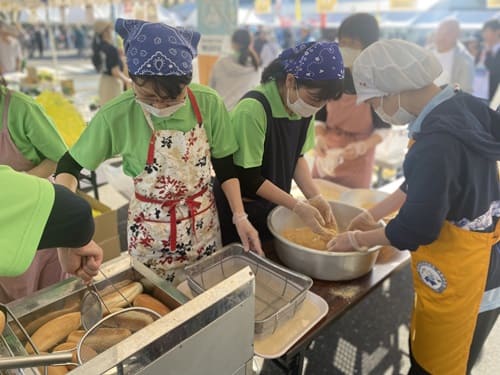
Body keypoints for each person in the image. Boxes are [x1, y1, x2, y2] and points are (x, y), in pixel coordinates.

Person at [329, 39, 500, 374]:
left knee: (440, 365)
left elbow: (417, 227)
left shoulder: (435, 143)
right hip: (485, 261)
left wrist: (356, 241)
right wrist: (372, 214)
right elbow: (422, 185)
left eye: (376, 100)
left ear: (396, 89)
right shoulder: (461, 105)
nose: (376, 109)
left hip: (465, 277)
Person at [55, 18, 262, 285]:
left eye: (172, 98)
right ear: (132, 79)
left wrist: (239, 215)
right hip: (151, 233)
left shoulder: (208, 102)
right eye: (149, 97)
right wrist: (68, 236)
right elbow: (69, 165)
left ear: (186, 82)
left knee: (204, 293)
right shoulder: (117, 114)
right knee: (157, 300)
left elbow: (223, 163)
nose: (161, 105)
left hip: (203, 225)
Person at [214, 42, 344, 246]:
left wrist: (315, 197)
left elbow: (297, 158)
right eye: (314, 98)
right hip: (242, 209)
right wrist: (297, 206)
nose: (317, 107)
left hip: (273, 204)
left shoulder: (304, 107)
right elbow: (248, 178)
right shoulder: (253, 110)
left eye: (323, 102)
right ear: (291, 81)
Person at [0, 82, 70, 303]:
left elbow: (61, 157)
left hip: (36, 216)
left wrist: (19, 184)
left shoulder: (20, 109)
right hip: (4, 223)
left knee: (49, 301)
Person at [311, 13, 390, 188]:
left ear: (368, 47)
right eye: (343, 43)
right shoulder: (332, 75)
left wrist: (363, 145)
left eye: (352, 44)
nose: (345, 48)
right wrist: (319, 138)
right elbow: (320, 116)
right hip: (325, 155)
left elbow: (384, 128)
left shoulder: (376, 82)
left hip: (357, 161)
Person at [0, 165, 102, 282]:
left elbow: (64, 160)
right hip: (39, 215)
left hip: (39, 220)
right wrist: (76, 241)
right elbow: (76, 213)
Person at [209, 29, 261, 111]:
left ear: (233, 44)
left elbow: (211, 90)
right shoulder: (255, 67)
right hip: (244, 114)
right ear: (250, 43)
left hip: (221, 113)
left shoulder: (220, 64)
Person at [429, 18, 474, 94]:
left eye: (448, 33)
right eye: (440, 31)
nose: (442, 36)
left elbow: (463, 89)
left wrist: (451, 94)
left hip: (447, 103)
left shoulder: (464, 60)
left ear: (457, 35)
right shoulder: (426, 52)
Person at [91, 20, 131, 107]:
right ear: (105, 32)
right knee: (115, 110)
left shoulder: (98, 47)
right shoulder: (111, 49)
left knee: (106, 109)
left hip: (103, 82)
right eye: (110, 29)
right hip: (112, 84)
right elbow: (115, 71)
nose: (112, 31)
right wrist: (128, 80)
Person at [482, 18, 500, 102]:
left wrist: (488, 54)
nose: (484, 35)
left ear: (497, 32)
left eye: (487, 31)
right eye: (483, 32)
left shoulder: (488, 51)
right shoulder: (483, 50)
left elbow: (494, 71)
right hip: (482, 95)